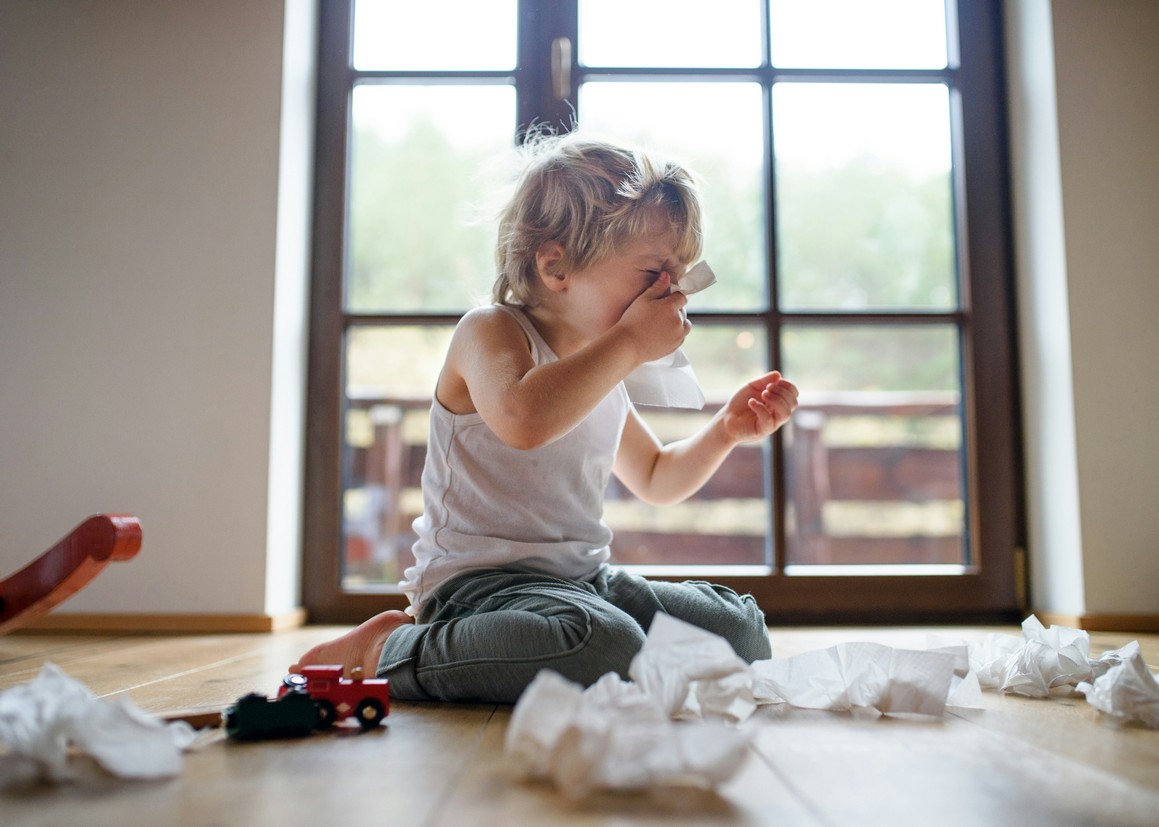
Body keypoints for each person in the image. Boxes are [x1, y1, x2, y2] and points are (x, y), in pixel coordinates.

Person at [293, 133, 799, 703]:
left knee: (740, 631)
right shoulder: (490, 332)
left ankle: (603, 656)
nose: (674, 291)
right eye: (653, 272)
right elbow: (524, 419)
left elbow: (657, 476)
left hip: (583, 583)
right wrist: (631, 342)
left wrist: (726, 431)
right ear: (557, 266)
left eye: (677, 274)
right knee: (600, 645)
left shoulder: (601, 365)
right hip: (478, 590)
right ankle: (389, 650)